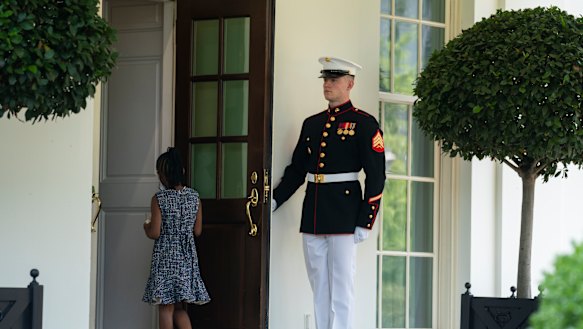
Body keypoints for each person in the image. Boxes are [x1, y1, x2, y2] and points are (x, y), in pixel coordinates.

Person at [272, 56, 386, 329]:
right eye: (325, 79)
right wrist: (276, 199)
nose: (328, 85)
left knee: (342, 287)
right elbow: (298, 169)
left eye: (334, 80)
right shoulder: (312, 124)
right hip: (314, 211)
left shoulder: (364, 123)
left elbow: (376, 175)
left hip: (345, 214)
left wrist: (365, 219)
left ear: (350, 83)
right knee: (319, 286)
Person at [142, 147, 210, 329]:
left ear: (162, 175)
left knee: (166, 308)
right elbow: (197, 231)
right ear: (182, 172)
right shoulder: (194, 197)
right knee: (180, 307)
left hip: (165, 260)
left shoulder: (159, 199)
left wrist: (146, 226)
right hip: (186, 261)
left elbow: (155, 232)